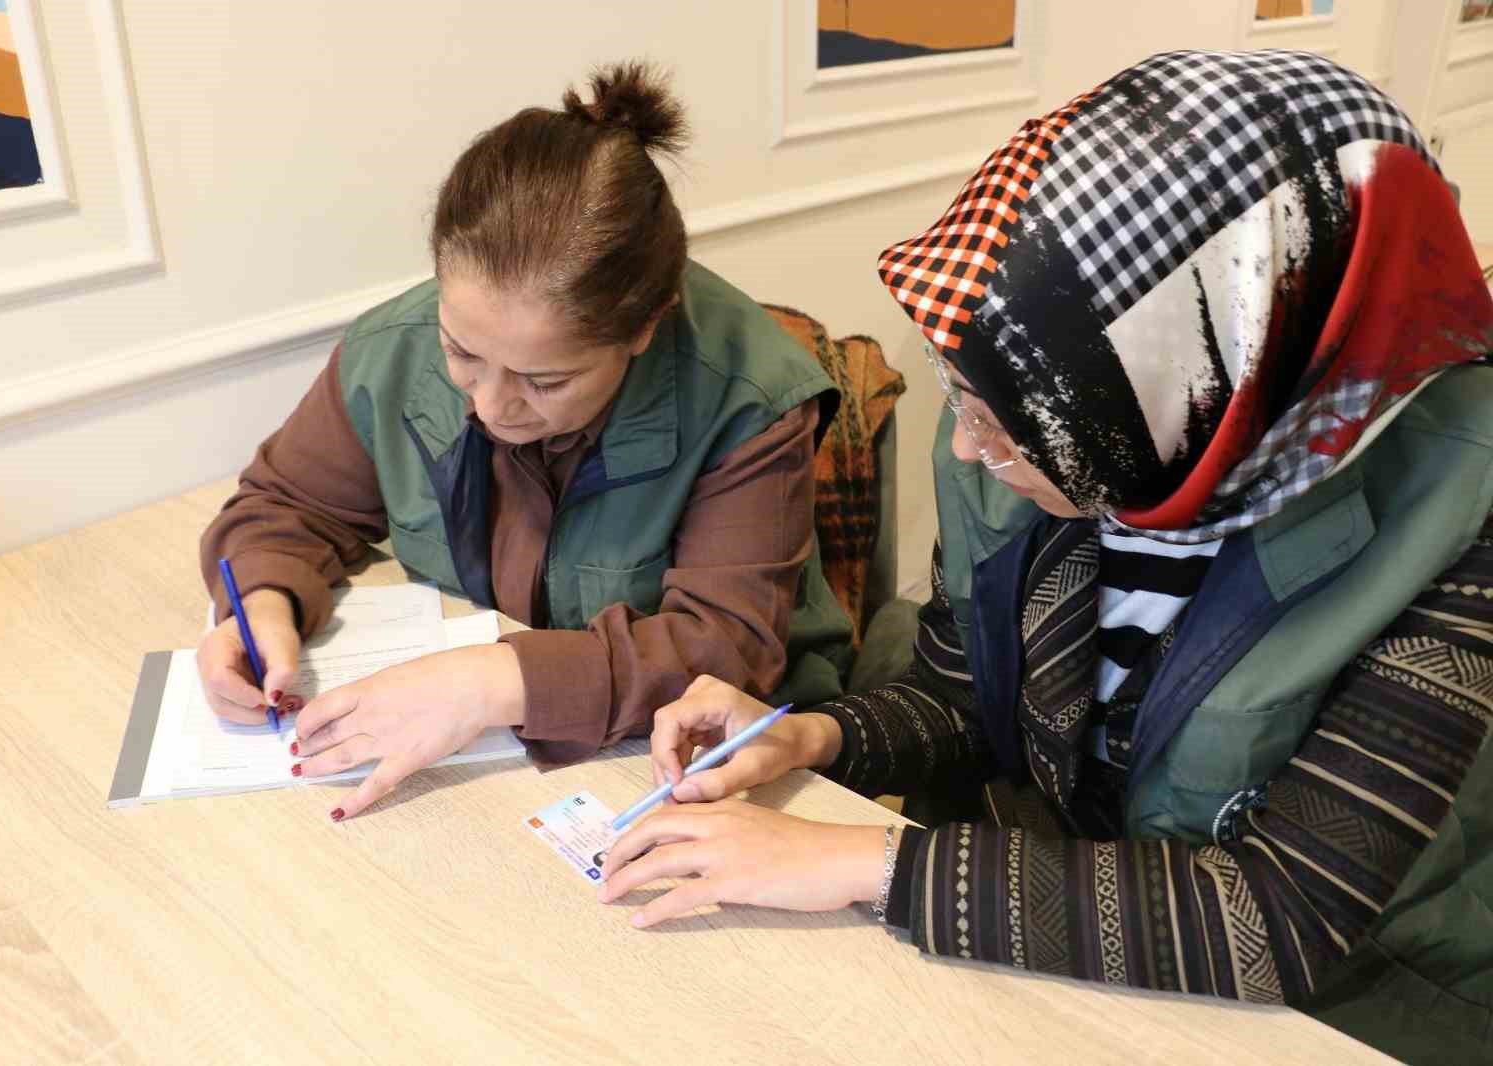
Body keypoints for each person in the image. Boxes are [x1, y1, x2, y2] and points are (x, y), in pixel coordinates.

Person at [601, 50, 1493, 1064]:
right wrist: (805, 738)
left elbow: (1280, 913)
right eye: (963, 401)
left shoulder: (1458, 512)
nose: (970, 446)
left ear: (1203, 375)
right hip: (1074, 949)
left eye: (1003, 423)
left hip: (1348, 1008)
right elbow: (962, 698)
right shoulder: (1063, 428)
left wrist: (873, 863)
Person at [195, 62, 852, 820]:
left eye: (544, 381)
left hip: (719, 761)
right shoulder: (392, 348)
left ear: (643, 327)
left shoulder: (749, 399)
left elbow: (725, 647)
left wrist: (489, 682)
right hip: (499, 757)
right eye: (463, 353)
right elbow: (288, 504)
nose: (491, 404)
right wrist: (263, 604)